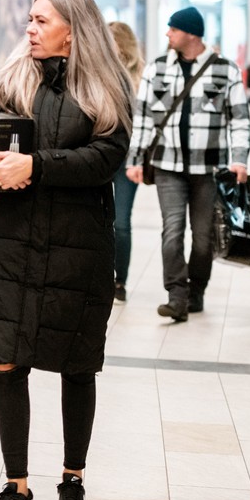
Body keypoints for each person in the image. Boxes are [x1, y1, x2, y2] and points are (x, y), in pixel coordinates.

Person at [0, 0, 130, 500]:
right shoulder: (12, 78)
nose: (29, 28)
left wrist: (36, 166)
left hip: (79, 245)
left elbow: (107, 156)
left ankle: (73, 480)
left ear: (72, 28)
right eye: (29, 18)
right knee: (6, 360)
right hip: (12, 243)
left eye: (41, 20)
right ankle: (16, 489)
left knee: (77, 364)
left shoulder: (106, 86)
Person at [126, 6, 249, 322]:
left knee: (204, 238)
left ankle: (197, 291)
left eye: (173, 29)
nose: (168, 33)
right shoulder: (156, 69)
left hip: (209, 169)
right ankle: (176, 296)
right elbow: (143, 119)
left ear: (192, 34)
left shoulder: (225, 70)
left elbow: (239, 119)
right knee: (172, 231)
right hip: (167, 165)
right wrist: (135, 159)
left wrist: (239, 160)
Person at [108, 20, 144, 304]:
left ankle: (120, 280)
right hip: (99, 154)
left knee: (121, 221)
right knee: (97, 219)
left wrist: (139, 160)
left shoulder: (142, 77)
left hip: (127, 160)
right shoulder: (96, 72)